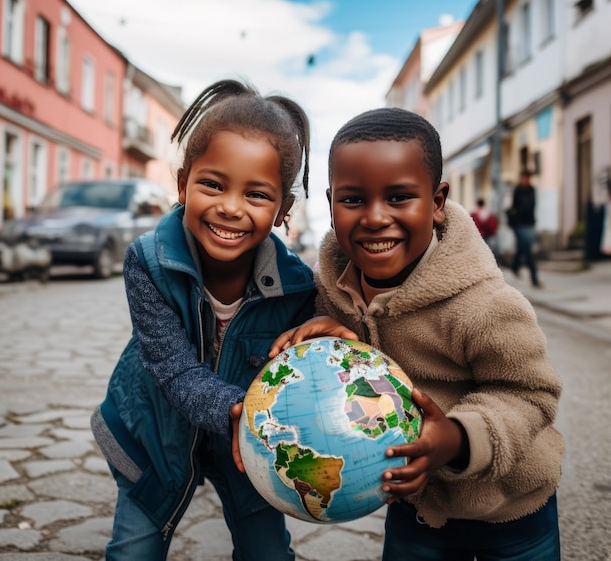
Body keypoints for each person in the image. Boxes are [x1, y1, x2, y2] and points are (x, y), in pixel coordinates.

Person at [267, 108, 563, 560]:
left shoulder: (484, 304)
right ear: (330, 204)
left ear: (438, 200)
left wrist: (458, 439)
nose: (375, 218)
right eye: (352, 200)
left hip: (508, 511)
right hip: (415, 508)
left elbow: (531, 393)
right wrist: (331, 340)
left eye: (400, 197)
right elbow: (350, 369)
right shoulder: (333, 287)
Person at [91, 79, 324, 561]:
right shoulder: (149, 262)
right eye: (213, 184)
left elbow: (305, 373)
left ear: (283, 210)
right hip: (158, 434)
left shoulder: (298, 287)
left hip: (247, 449)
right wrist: (240, 411)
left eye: (257, 195)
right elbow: (173, 370)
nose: (231, 207)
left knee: (269, 555)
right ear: (182, 184)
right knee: (133, 551)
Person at [509, 170, 541, 287]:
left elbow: (533, 205)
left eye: (526, 178)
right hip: (519, 224)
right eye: (523, 178)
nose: (524, 180)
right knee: (527, 250)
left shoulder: (532, 190)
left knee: (522, 248)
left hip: (529, 223)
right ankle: (534, 278)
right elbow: (514, 206)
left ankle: (514, 266)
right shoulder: (517, 190)